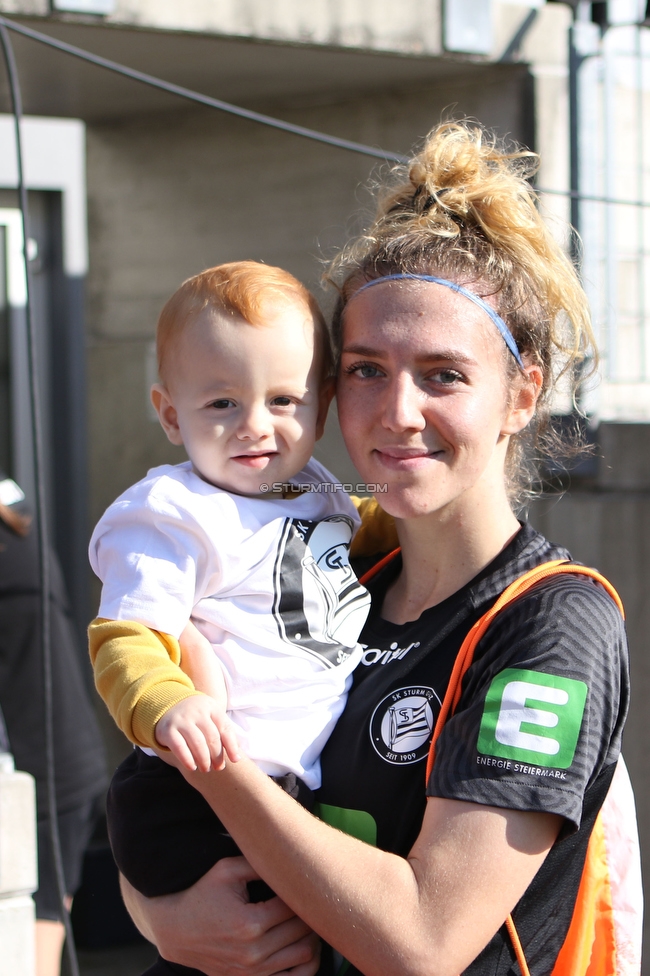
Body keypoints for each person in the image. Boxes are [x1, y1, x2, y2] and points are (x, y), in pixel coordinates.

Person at [117, 122, 642, 976]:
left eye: (443, 374)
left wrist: (221, 769)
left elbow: (422, 944)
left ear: (521, 394)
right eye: (365, 369)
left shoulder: (552, 624)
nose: (396, 411)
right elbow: (147, 802)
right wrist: (163, 917)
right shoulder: (326, 559)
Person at [88, 262, 378, 972]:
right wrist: (170, 706)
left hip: (288, 792)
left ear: (323, 404)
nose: (256, 426)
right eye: (221, 404)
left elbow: (377, 538)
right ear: (169, 413)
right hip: (193, 788)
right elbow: (127, 637)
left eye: (284, 400)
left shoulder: (320, 490)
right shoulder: (171, 514)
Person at [0, 472, 107, 976]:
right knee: (45, 913)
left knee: (36, 925)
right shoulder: (13, 510)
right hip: (67, 757)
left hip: (45, 767)